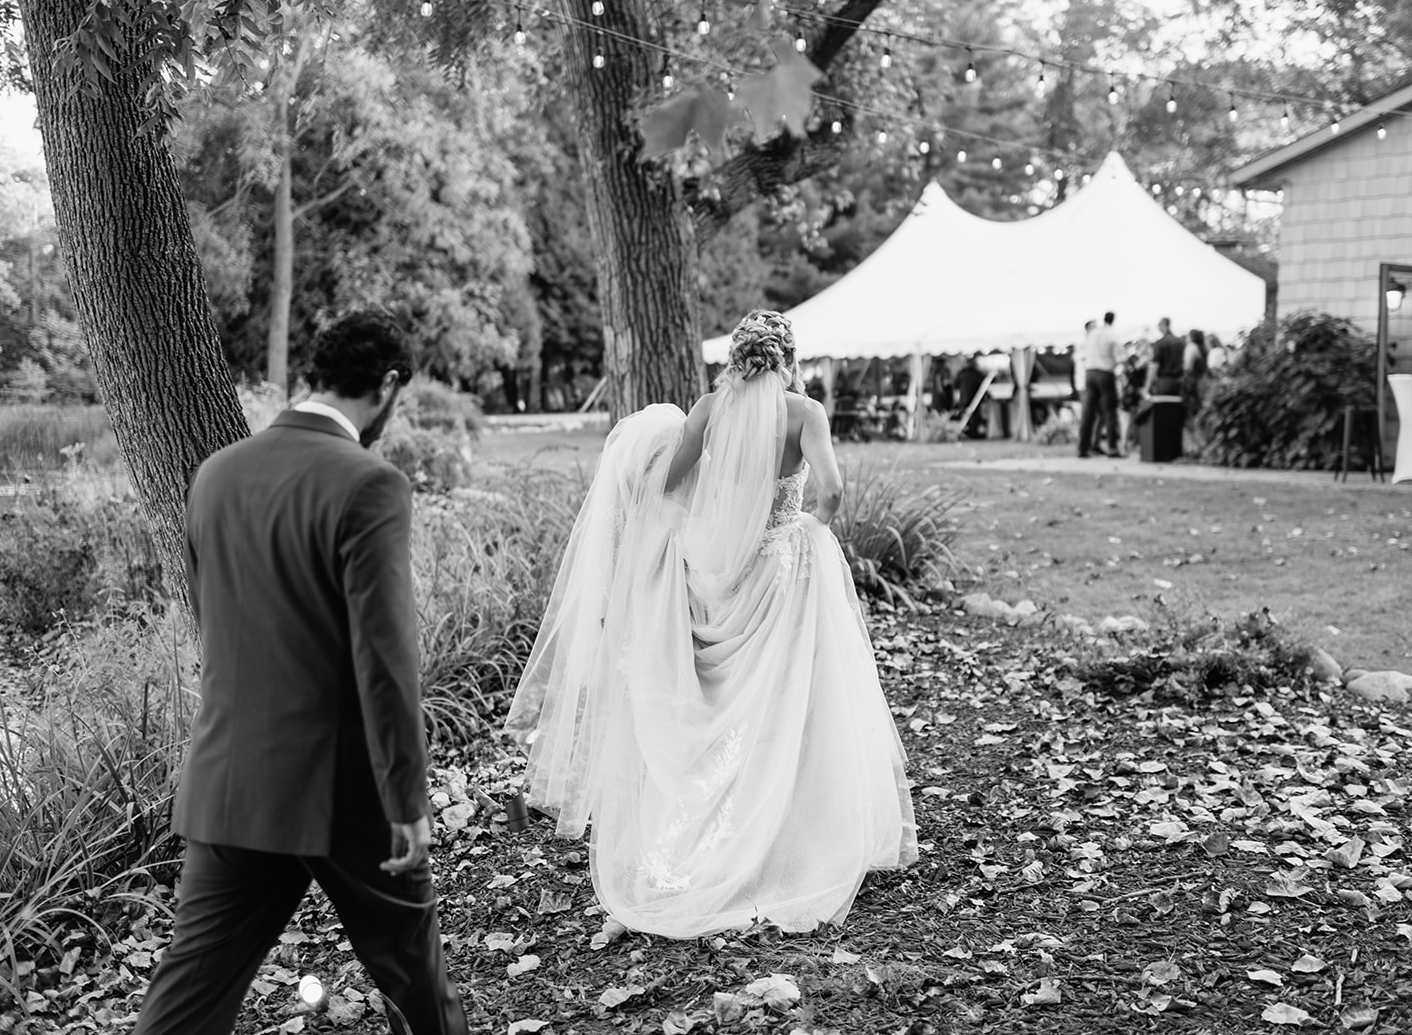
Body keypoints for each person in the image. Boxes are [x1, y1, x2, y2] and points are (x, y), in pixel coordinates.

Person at [506, 309, 917, 939]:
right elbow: (830, 492)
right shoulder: (803, 414)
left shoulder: (708, 409)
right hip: (782, 572)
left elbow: (666, 485)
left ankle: (709, 837)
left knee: (723, 701)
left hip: (717, 577)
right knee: (790, 698)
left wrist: (701, 523)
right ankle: (790, 835)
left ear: (736, 358)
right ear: (786, 357)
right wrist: (805, 529)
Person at [134, 311, 467, 1035]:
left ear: (314, 375)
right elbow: (384, 659)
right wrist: (407, 798)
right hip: (341, 788)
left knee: (187, 999)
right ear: (386, 387)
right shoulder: (369, 483)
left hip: (233, 781)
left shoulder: (214, 474)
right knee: (418, 984)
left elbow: (216, 625)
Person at [1077, 312, 1122, 458]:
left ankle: (1082, 448)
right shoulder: (1110, 334)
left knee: (1087, 413)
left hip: (1090, 374)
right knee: (1110, 411)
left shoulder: (1089, 335)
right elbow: (1120, 356)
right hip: (1104, 373)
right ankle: (1112, 448)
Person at [1146, 316, 1187, 399]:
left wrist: (1147, 387)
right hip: (1179, 381)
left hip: (1164, 382)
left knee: (1164, 408)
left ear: (1164, 325)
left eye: (1159, 325)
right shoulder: (1180, 342)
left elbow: (1154, 366)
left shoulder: (1160, 343)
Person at [954, 352, 988, 438]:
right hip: (974, 398)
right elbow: (983, 384)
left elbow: (956, 385)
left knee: (964, 416)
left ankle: (966, 432)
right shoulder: (976, 373)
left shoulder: (961, 373)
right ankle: (973, 433)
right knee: (975, 416)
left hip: (963, 398)